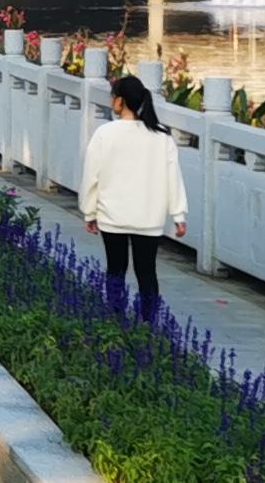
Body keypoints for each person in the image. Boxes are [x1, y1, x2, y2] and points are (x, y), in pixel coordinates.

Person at [79, 73, 188, 317]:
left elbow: (91, 176)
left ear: (120, 101)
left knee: (116, 269)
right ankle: (149, 323)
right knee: (147, 272)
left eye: (112, 97)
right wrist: (178, 215)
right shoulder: (161, 137)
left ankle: (114, 319)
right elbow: (173, 177)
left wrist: (89, 211)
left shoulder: (105, 133)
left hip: (112, 214)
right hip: (148, 217)